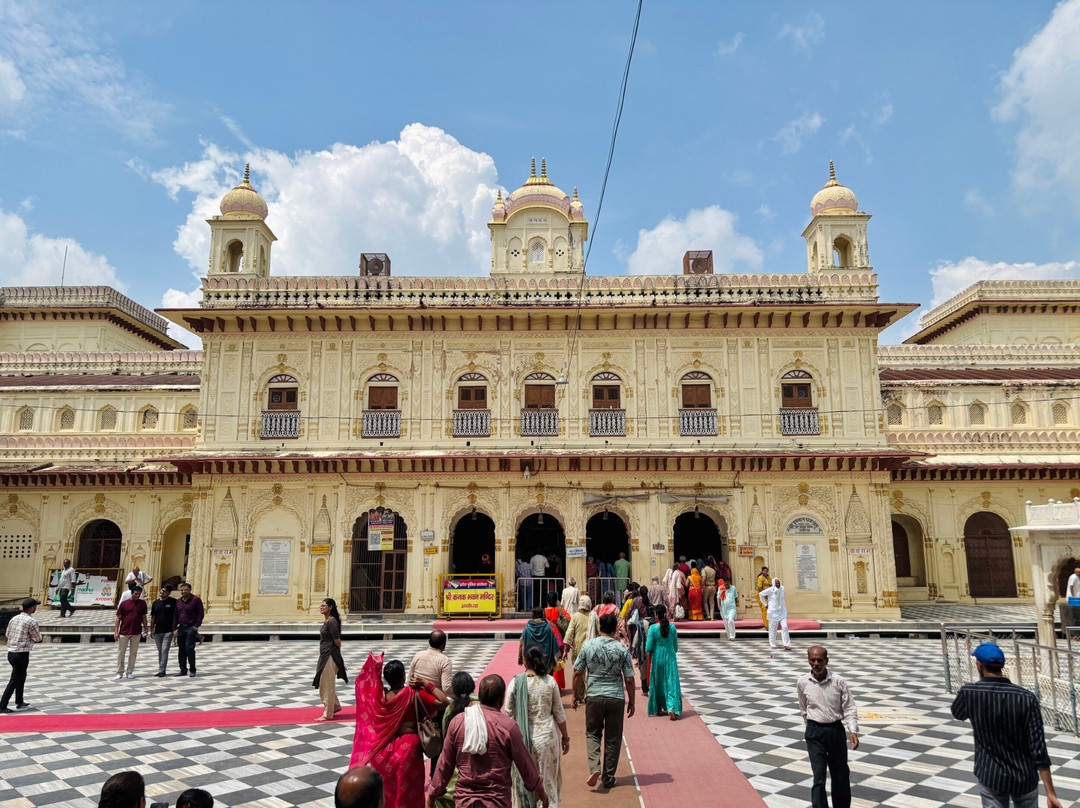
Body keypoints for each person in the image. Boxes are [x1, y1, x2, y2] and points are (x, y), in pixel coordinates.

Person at [951, 642, 1063, 808]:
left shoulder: (970, 692)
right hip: (1024, 776)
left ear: (979, 665)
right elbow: (1038, 748)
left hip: (991, 775)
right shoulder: (1026, 698)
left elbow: (958, 713)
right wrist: (1050, 792)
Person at [428, 674, 549, 808]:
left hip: (465, 802)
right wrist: (540, 791)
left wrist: (432, 795)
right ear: (501, 699)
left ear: (479, 696)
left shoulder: (458, 722)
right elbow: (526, 766)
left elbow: (444, 764)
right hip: (497, 802)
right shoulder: (508, 727)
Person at [352, 654, 448, 808]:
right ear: (404, 676)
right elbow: (444, 702)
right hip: (409, 747)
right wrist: (426, 683)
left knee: (388, 791)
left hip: (384, 749)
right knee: (409, 791)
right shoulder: (414, 694)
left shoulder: (380, 697)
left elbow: (366, 692)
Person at [573, 611, 635, 790]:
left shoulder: (588, 646)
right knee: (613, 738)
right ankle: (608, 777)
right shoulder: (621, 649)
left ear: (600, 628)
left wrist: (575, 695)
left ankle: (594, 767)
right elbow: (629, 679)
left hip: (594, 696)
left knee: (592, 733)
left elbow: (577, 673)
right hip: (616, 698)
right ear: (615, 629)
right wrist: (632, 701)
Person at [506, 643, 569, 807]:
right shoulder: (550, 682)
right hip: (547, 739)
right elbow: (559, 713)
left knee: (524, 779)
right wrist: (565, 737)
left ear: (525, 661)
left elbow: (508, 714)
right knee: (547, 778)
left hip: (522, 740)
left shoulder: (516, 683)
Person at [798, 646, 859, 808]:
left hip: (835, 731)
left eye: (819, 660)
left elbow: (849, 707)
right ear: (808, 660)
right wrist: (811, 727)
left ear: (827, 661)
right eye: (812, 660)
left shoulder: (838, 681)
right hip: (814, 733)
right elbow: (803, 708)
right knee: (819, 777)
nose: (816, 663)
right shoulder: (802, 682)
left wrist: (852, 730)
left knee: (840, 774)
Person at [431, 672, 476, 808]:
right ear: (472, 687)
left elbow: (446, 742)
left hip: (454, 773)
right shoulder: (480, 706)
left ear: (454, 690)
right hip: (476, 767)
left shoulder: (450, 710)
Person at [1, 597, 42, 713]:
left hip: (11, 653)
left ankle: (19, 700)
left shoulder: (14, 618)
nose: (35, 608)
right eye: (35, 606)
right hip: (21, 654)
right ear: (32, 608)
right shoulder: (31, 621)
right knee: (14, 679)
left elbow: (7, 634)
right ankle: (2, 706)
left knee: (21, 675)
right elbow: (37, 638)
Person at [645, 603, 681, 720]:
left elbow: (648, 647)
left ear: (656, 614)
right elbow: (675, 647)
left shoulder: (653, 628)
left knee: (658, 683)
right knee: (671, 683)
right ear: (665, 614)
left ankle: (659, 707)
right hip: (670, 658)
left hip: (658, 658)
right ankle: (671, 707)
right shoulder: (672, 627)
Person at [314, 598, 348, 721]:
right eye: (321, 605)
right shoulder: (328, 620)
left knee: (327, 685)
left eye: (324, 605)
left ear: (330, 607)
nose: (321, 607)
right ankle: (335, 706)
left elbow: (338, 642)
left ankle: (328, 714)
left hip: (330, 655)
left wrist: (338, 658)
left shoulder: (332, 621)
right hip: (325, 655)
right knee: (323, 683)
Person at [519, 606, 562, 688]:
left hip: (531, 661)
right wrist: (556, 659)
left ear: (532, 615)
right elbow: (554, 643)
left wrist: (520, 657)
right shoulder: (548, 628)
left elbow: (521, 642)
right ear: (542, 615)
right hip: (546, 661)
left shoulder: (528, 628)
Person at [562, 595, 593, 708]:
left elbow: (569, 633)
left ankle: (579, 695)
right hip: (592, 648)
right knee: (590, 672)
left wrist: (565, 650)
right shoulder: (594, 616)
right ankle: (589, 694)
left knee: (578, 672)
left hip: (578, 649)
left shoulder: (575, 616)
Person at [113, 585, 148, 680]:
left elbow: (144, 617)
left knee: (133, 653)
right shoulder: (124, 604)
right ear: (131, 593)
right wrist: (116, 631)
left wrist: (146, 628)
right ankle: (119, 672)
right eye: (136, 594)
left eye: (139, 594)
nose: (137, 595)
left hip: (136, 631)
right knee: (121, 652)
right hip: (124, 631)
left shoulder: (142, 603)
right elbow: (118, 618)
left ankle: (129, 671)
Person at [172, 582, 204, 677]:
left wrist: (196, 626)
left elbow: (200, 614)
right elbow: (175, 615)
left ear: (190, 590)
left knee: (189, 649)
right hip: (181, 627)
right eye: (182, 590)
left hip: (191, 627)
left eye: (185, 590)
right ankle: (183, 669)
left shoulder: (196, 600)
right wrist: (174, 628)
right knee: (181, 649)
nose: (183, 592)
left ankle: (192, 669)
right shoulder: (178, 601)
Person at [409, 630, 454, 695]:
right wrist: (459, 697)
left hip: (416, 696)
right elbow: (446, 688)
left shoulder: (418, 655)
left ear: (429, 642)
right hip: (436, 698)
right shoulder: (445, 661)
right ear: (443, 645)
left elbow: (410, 679)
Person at [149, 586, 177, 678]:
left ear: (169, 593)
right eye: (161, 590)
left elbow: (176, 615)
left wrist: (175, 628)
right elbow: (153, 617)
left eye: (164, 591)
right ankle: (161, 668)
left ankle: (162, 670)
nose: (162, 592)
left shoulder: (173, 602)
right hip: (158, 630)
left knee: (164, 650)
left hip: (168, 630)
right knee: (160, 650)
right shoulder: (156, 603)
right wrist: (151, 629)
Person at [760, 577, 791, 651]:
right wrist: (765, 604)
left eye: (779, 583)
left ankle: (786, 644)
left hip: (782, 611)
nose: (778, 584)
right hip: (773, 612)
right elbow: (761, 594)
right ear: (774, 584)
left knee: (785, 627)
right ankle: (773, 644)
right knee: (773, 629)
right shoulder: (770, 590)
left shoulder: (782, 589)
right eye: (776, 583)